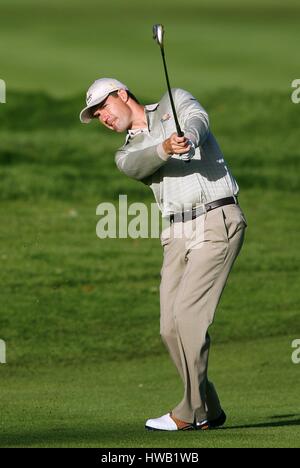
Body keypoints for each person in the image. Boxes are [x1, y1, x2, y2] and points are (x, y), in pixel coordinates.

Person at [80, 78, 247, 431]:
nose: (103, 118)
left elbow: (198, 118)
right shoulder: (125, 153)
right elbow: (138, 165)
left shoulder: (174, 100)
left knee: (188, 316)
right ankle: (210, 408)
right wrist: (167, 147)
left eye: (104, 108)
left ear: (122, 94)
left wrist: (189, 136)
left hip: (215, 217)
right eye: (96, 116)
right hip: (175, 232)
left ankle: (188, 413)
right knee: (169, 328)